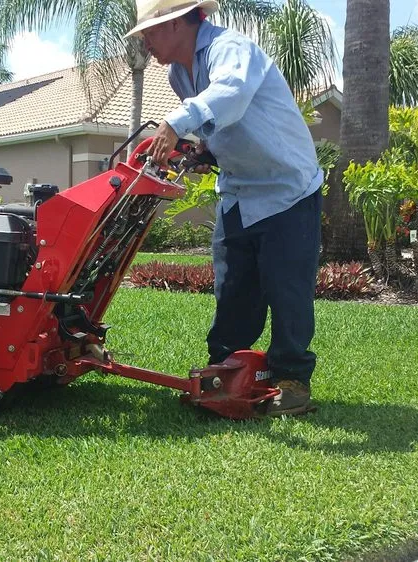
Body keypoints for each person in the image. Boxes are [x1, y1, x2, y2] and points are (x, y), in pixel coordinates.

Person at [125, 0, 324, 416]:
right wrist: (205, 150)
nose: (145, 40)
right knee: (233, 289)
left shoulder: (230, 49)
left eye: (152, 29)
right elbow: (225, 125)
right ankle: (224, 374)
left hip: (287, 188)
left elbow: (229, 96)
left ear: (180, 22)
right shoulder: (180, 73)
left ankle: (292, 381)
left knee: (287, 290)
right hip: (238, 191)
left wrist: (175, 122)